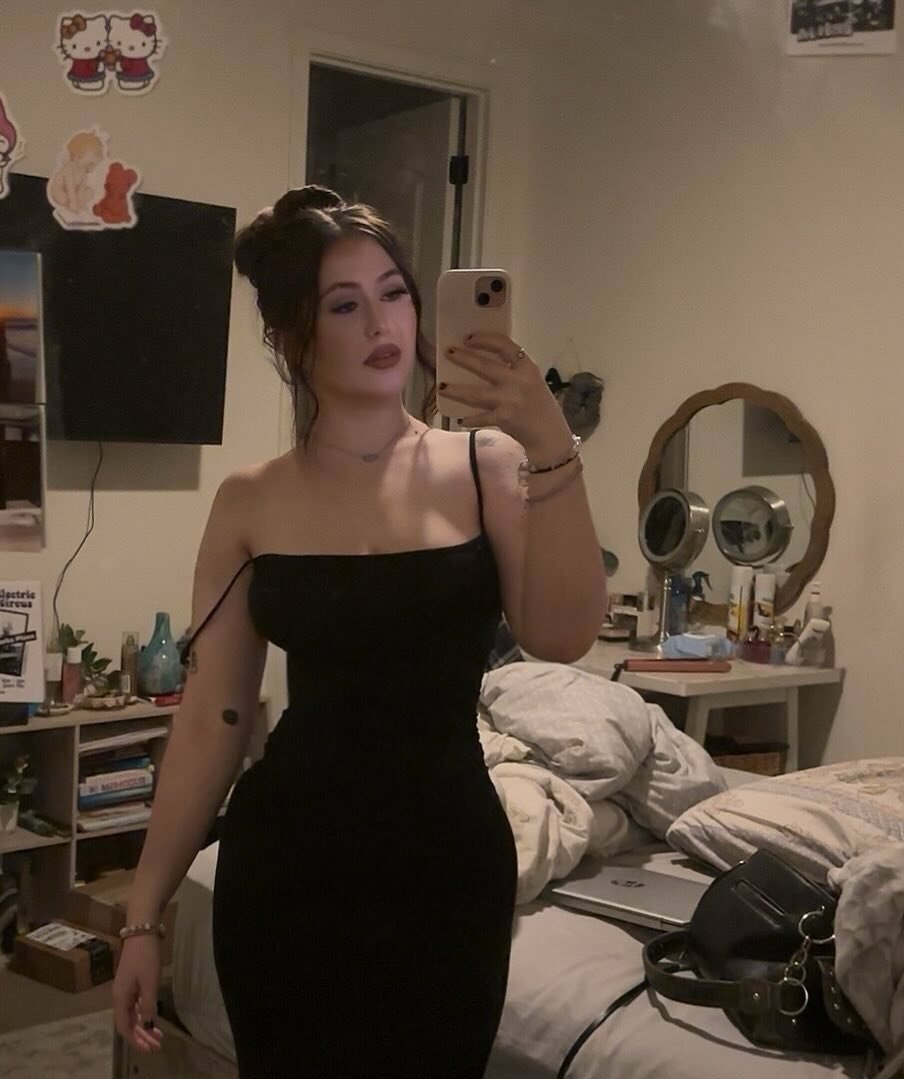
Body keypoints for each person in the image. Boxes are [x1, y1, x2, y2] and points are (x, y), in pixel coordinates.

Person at [112, 186, 607, 1076]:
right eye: (344, 304)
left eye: (394, 292)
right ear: (291, 338)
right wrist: (144, 916)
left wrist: (547, 436)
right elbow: (214, 720)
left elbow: (563, 634)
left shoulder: (486, 464)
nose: (382, 323)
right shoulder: (249, 500)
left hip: (447, 870)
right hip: (287, 871)